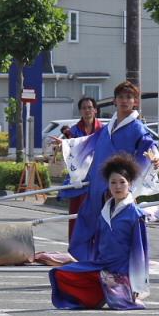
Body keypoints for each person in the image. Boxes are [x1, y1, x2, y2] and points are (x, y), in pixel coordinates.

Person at [58, 81, 159, 262]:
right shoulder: (108, 127)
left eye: (129, 97)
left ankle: (109, 268)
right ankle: (85, 266)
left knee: (110, 231)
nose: (124, 100)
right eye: (121, 97)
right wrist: (67, 145)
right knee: (84, 226)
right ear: (114, 100)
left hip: (118, 188)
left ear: (135, 101)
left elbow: (149, 147)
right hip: (97, 186)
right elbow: (87, 143)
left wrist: (155, 158)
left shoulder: (138, 128)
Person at [49, 153, 149, 310]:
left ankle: (125, 294)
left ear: (129, 184)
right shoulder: (104, 212)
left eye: (122, 182)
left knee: (120, 304)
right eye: (113, 182)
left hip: (121, 272)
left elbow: (140, 254)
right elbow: (97, 247)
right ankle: (98, 295)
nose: (117, 186)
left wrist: (137, 287)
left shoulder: (135, 215)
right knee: (60, 273)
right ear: (108, 185)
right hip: (101, 267)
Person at [58, 97, 104, 238]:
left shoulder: (103, 130)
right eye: (84, 108)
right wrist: (63, 146)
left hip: (98, 177)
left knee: (98, 214)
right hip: (79, 177)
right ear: (80, 111)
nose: (87, 110)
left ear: (95, 110)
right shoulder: (74, 131)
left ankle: (96, 248)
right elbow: (69, 150)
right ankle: (74, 247)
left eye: (90, 107)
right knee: (76, 214)